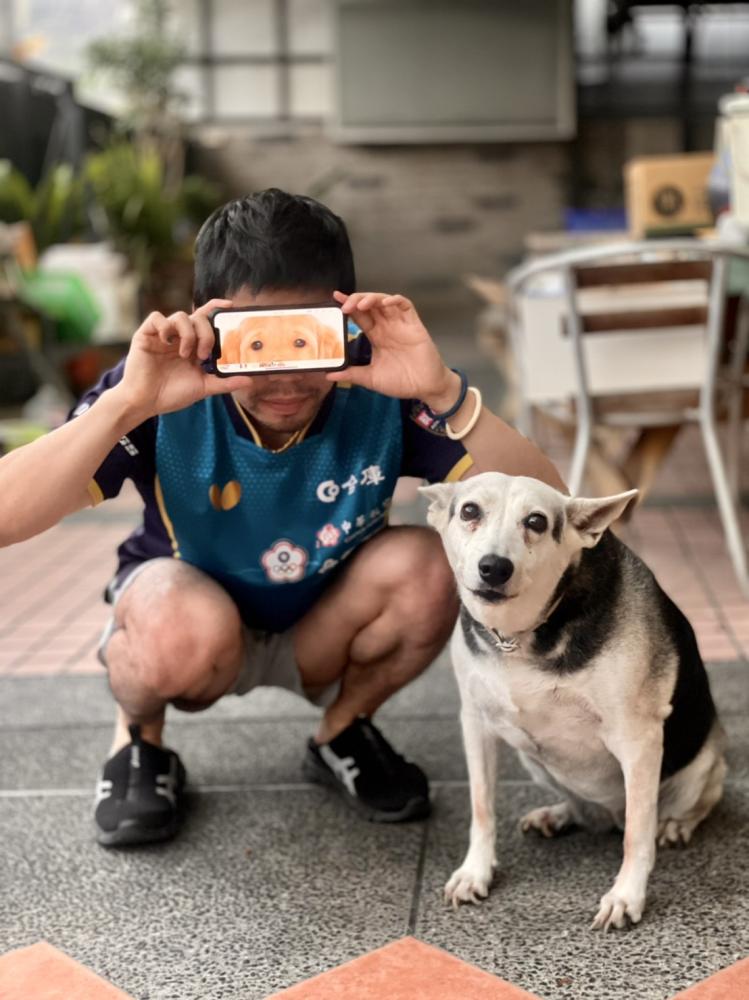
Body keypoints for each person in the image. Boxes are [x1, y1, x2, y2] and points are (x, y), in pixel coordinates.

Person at [0, 189, 565, 847]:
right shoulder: (156, 387)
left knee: (430, 565)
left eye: (307, 339)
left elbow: (548, 509)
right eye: (256, 342)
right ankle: (138, 742)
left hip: (323, 619)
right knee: (176, 624)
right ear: (209, 324)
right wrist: (126, 404)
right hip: (191, 621)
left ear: (345, 319)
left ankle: (341, 731)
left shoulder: (385, 385)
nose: (287, 376)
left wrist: (444, 393)